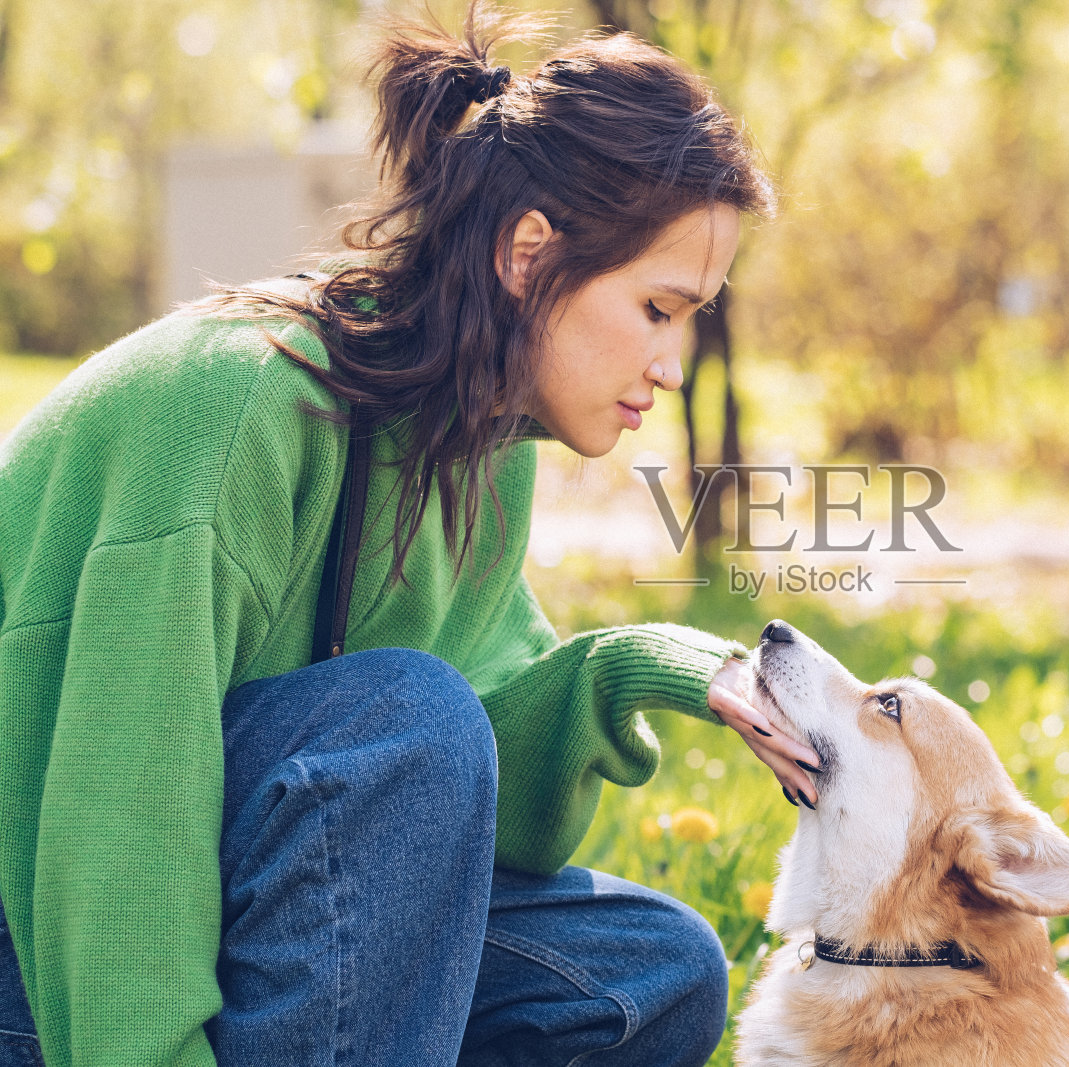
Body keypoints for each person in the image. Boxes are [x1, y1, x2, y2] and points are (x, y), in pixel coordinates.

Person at [0, 5, 821, 1065]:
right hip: (43, 953)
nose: (672, 363)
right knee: (406, 712)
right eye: (659, 308)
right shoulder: (235, 406)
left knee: (646, 969)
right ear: (530, 254)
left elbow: (465, 807)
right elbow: (110, 829)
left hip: (214, 896)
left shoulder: (476, 445)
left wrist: (643, 671)